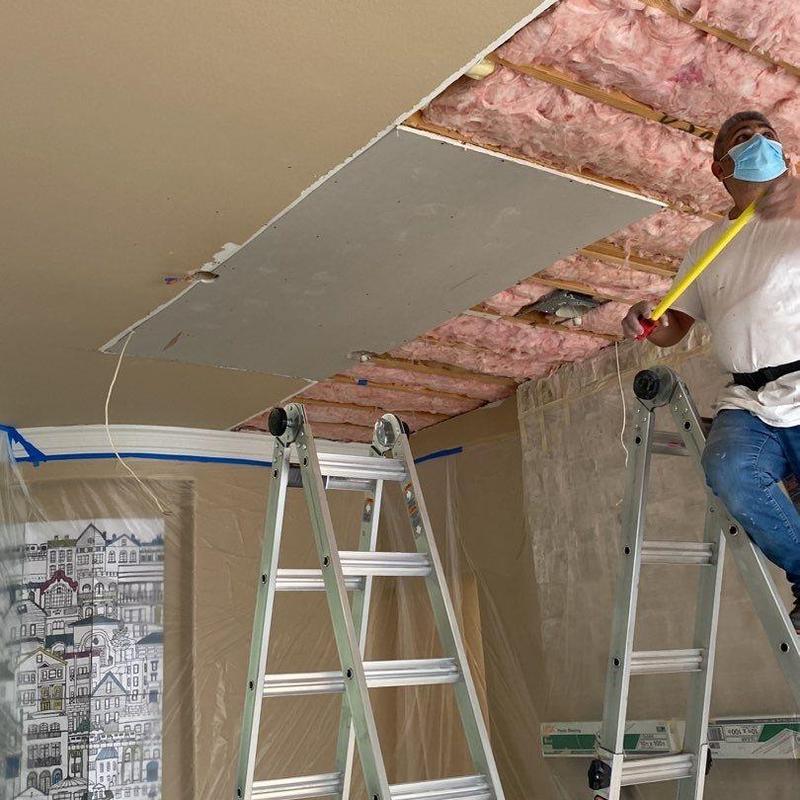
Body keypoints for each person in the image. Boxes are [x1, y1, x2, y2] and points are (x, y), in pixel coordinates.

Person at [622, 111, 800, 634]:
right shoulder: (707, 245)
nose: (760, 142)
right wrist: (648, 320)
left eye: (768, 136)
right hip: (749, 400)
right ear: (721, 167)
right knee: (730, 473)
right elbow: (675, 325)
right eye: (744, 138)